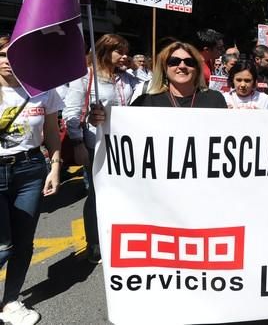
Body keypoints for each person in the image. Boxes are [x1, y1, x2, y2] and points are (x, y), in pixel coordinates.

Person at [0, 35, 61, 325]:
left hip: (30, 170)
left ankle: (11, 301)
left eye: (13, 55)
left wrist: (55, 166)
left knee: (24, 243)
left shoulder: (42, 89)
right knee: (3, 244)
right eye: (1, 55)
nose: (7, 61)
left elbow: (51, 131)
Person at [64, 34, 140, 264]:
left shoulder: (129, 79)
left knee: (124, 194)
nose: (124, 56)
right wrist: (78, 143)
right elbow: (72, 113)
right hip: (95, 145)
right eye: (119, 51)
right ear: (104, 52)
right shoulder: (85, 77)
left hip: (125, 146)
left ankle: (118, 239)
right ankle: (94, 243)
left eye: (126, 51)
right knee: (97, 195)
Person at [130, 41, 227, 108]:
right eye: (174, 61)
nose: (182, 66)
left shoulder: (215, 99)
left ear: (197, 68)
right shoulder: (145, 102)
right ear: (164, 67)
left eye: (189, 62)